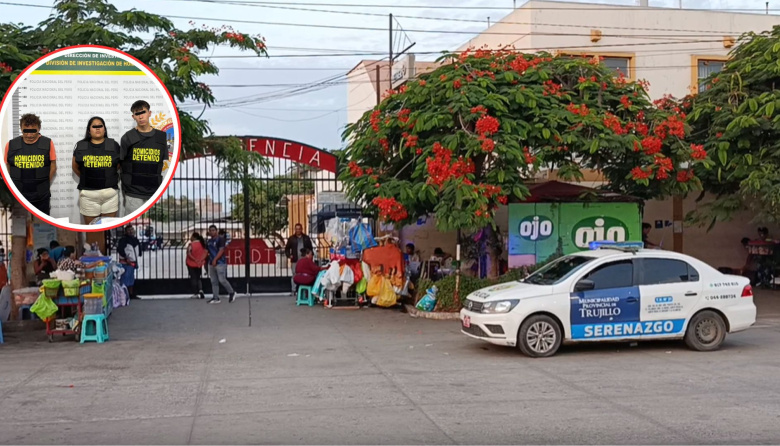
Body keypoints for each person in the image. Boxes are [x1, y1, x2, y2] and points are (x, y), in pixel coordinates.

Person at [119, 100, 169, 217]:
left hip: (154, 192)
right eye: (137, 114)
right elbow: (120, 164)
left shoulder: (161, 137)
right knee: (132, 227)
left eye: (143, 112)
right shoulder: (127, 137)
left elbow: (163, 164)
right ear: (133, 117)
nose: (141, 116)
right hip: (133, 193)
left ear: (149, 113)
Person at [4, 113, 57, 214]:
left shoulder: (47, 143)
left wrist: (44, 183)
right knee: (20, 225)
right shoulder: (11, 145)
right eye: (26, 131)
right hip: (18, 195)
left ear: (39, 128)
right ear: (21, 128)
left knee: (43, 225)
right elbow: (7, 167)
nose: (29, 135)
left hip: (41, 196)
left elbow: (53, 166)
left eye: (33, 131)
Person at [73, 116, 121, 224]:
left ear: (104, 129)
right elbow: (75, 167)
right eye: (94, 126)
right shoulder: (81, 145)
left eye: (100, 126)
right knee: (93, 231)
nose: (97, 128)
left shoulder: (113, 145)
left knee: (108, 232)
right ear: (89, 130)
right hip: (88, 196)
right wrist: (89, 175)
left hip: (110, 195)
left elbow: (118, 165)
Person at [206, 225, 235, 304]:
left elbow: (221, 250)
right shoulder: (209, 241)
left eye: (213, 230)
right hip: (211, 263)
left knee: (222, 279)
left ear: (216, 231)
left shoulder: (220, 239)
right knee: (213, 281)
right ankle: (215, 297)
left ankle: (231, 292)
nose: (212, 232)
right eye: (210, 230)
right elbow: (206, 252)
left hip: (220, 263)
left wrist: (215, 259)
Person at [284, 223, 313, 296]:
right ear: (295, 230)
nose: (298, 230)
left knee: (305, 274)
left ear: (301, 229)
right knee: (294, 274)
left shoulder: (306, 238)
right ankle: (293, 290)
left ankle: (305, 291)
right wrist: (289, 255)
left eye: (299, 229)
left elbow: (310, 248)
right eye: (296, 229)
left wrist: (310, 256)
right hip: (295, 260)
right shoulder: (291, 239)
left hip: (304, 260)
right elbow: (287, 248)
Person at [117, 225, 141, 300]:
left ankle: (131, 294)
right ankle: (123, 295)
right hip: (126, 263)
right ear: (126, 231)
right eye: (129, 230)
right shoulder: (123, 240)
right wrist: (125, 258)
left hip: (132, 262)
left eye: (132, 229)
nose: (131, 231)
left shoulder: (135, 239)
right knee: (125, 279)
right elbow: (120, 250)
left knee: (131, 278)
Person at [186, 232, 208, 299]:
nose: (190, 238)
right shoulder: (202, 244)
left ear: (194, 237)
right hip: (199, 263)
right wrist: (200, 260)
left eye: (191, 236)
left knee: (193, 278)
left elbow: (189, 254)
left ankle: (195, 293)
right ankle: (201, 290)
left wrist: (195, 259)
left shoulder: (191, 244)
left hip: (191, 263)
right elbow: (205, 252)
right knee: (198, 278)